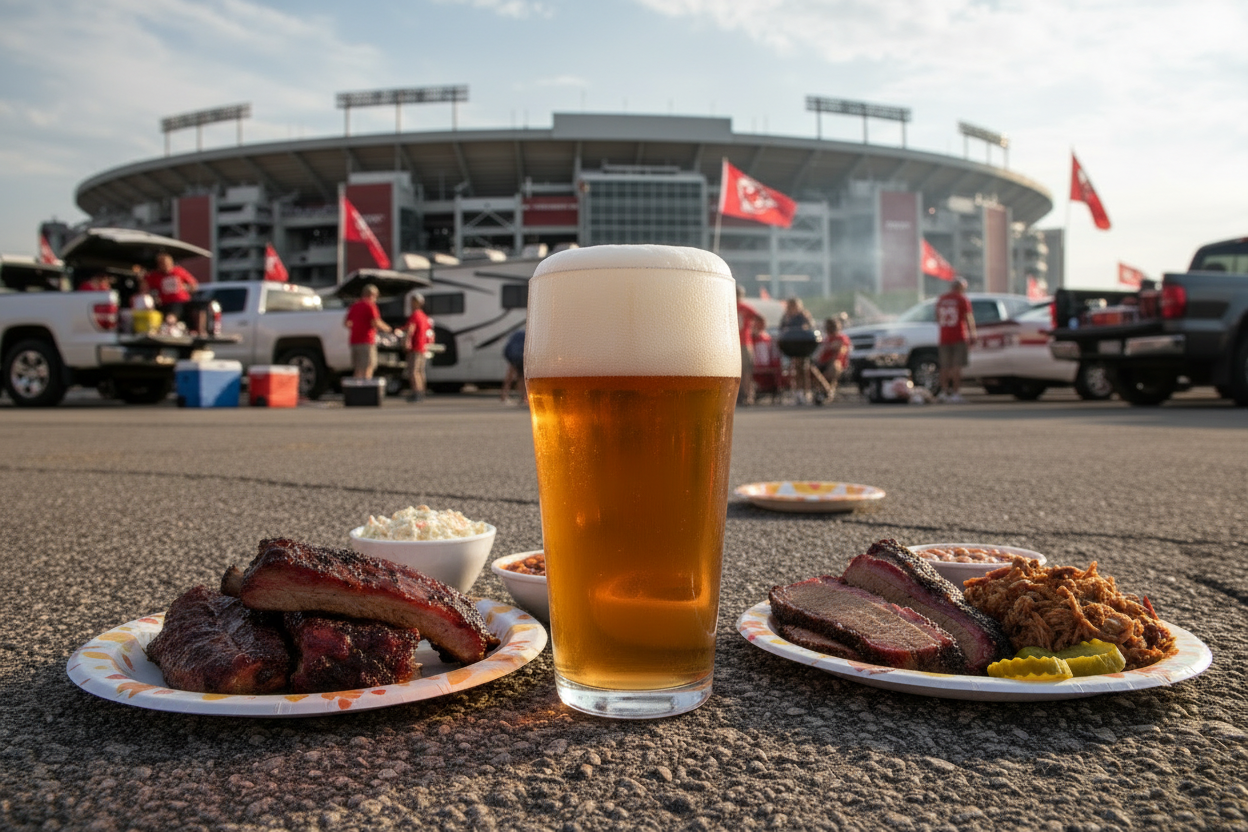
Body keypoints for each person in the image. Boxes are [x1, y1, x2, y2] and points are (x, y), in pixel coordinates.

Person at [935, 277, 976, 402]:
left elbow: (937, 318)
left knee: (944, 366)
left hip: (944, 336)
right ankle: (955, 393)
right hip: (959, 336)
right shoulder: (962, 299)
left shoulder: (941, 299)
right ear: (960, 288)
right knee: (957, 366)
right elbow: (968, 317)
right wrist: (973, 334)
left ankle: (944, 391)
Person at [344, 283, 391, 379]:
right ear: (372, 294)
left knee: (358, 368)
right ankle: (366, 386)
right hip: (366, 341)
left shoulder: (354, 305)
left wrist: (357, 327)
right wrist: (388, 329)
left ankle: (356, 386)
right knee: (368, 366)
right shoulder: (370, 305)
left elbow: (347, 323)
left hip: (354, 341)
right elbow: (375, 322)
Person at [143, 251, 198, 324]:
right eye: (163, 264)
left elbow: (193, 284)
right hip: (165, 303)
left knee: (174, 315)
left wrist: (187, 288)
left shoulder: (179, 271)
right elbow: (145, 286)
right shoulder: (155, 276)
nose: (166, 266)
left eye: (167, 263)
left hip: (181, 302)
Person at [779, 297, 815, 404]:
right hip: (791, 346)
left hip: (803, 346)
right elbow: (781, 329)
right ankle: (797, 392)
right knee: (793, 369)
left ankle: (806, 391)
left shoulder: (803, 316)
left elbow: (810, 327)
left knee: (803, 369)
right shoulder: (786, 317)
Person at [736, 285, 763, 406]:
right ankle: (739, 395)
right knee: (737, 371)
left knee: (746, 370)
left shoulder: (745, 308)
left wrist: (758, 331)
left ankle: (747, 395)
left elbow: (760, 318)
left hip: (745, 343)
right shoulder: (728, 306)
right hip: (733, 344)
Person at [813, 316, 851, 402]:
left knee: (834, 365)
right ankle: (826, 391)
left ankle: (827, 391)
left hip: (835, 364)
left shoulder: (842, 338)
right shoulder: (826, 339)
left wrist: (831, 347)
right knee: (810, 368)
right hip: (822, 363)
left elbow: (839, 350)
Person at [404, 292, 432, 402]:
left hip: (415, 347)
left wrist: (407, 342)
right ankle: (421, 391)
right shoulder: (424, 316)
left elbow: (410, 329)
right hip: (423, 347)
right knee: (420, 371)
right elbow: (429, 332)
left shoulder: (415, 315)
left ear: (416, 303)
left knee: (413, 371)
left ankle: (416, 392)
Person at [500, 328, 527, 406]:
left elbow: (507, 348)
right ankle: (523, 397)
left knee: (509, 378)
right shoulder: (525, 336)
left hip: (513, 358)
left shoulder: (516, 335)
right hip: (521, 358)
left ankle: (504, 395)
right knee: (521, 378)